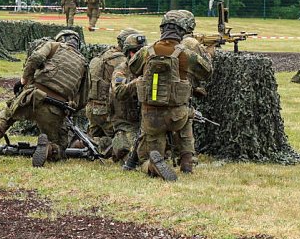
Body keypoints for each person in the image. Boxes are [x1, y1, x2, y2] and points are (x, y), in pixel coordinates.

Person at [0, 30, 89, 167]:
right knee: (60, 146)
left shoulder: (53, 46)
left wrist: (24, 80)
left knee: (7, 114)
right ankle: (49, 148)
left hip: (31, 97)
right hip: (55, 108)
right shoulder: (84, 64)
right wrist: (68, 110)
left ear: (60, 39)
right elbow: (83, 98)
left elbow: (35, 58)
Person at [127, 10, 213, 181]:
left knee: (146, 156)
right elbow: (207, 73)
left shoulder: (146, 51)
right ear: (183, 31)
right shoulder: (186, 54)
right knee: (187, 112)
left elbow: (132, 68)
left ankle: (151, 165)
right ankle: (187, 161)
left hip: (151, 118)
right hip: (177, 116)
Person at [86, 28, 140, 152]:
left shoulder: (103, 55)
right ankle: (107, 145)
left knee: (92, 138)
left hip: (91, 108)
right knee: (126, 137)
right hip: (106, 111)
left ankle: (85, 142)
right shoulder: (121, 61)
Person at [109, 32, 146, 163]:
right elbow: (119, 91)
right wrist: (137, 83)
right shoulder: (121, 70)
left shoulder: (146, 68)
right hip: (126, 123)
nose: (138, 55)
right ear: (128, 53)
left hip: (144, 122)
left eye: (141, 51)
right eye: (135, 51)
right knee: (130, 153)